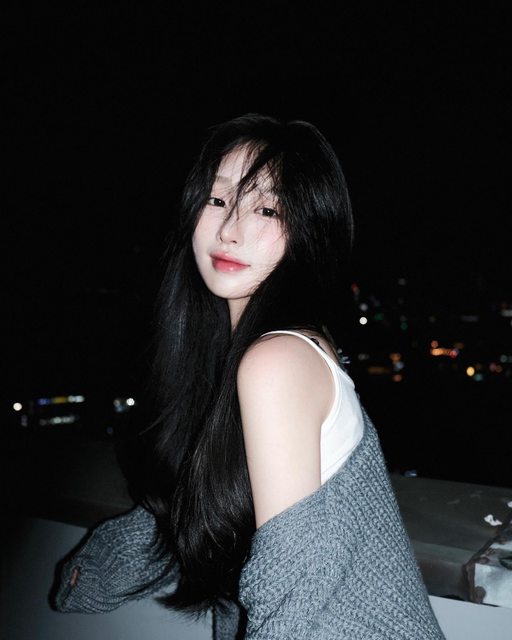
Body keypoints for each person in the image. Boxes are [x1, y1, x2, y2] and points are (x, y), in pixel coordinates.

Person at [53, 113, 445, 639]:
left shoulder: (277, 360)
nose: (229, 230)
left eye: (266, 209)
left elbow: (290, 593)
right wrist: (103, 565)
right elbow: (207, 497)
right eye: (217, 200)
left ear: (310, 230)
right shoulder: (235, 357)